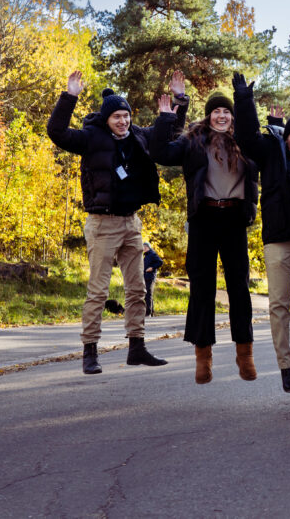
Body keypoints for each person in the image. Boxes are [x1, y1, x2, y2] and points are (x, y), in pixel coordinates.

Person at [46, 70, 187, 374]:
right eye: (117, 117)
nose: (122, 121)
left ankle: (136, 347)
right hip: (102, 224)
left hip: (131, 223)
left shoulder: (137, 136)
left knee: (137, 289)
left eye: (126, 115)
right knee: (98, 290)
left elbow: (168, 136)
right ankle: (90, 352)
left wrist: (180, 101)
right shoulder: (91, 139)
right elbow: (56, 131)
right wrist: (69, 96)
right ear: (107, 119)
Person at [150, 86, 260, 384]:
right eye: (216, 111)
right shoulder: (192, 141)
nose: (222, 115)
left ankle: (244, 353)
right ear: (209, 116)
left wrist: (248, 105)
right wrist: (165, 118)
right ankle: (203, 356)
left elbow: (265, 147)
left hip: (234, 219)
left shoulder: (246, 142)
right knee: (202, 288)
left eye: (226, 111)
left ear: (232, 117)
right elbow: (160, 152)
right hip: (204, 218)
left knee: (239, 286)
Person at [234, 78, 290, 394]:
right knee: (279, 304)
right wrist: (244, 99)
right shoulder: (272, 155)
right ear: (286, 138)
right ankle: (285, 366)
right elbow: (246, 137)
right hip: (279, 239)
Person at [142, 242, 163, 316]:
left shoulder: (152, 254)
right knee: (147, 295)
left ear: (148, 247)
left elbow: (160, 262)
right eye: (143, 247)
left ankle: (148, 313)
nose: (144, 248)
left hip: (150, 277)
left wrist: (152, 268)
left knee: (148, 294)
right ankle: (151, 311)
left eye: (145, 246)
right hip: (145, 277)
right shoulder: (146, 255)